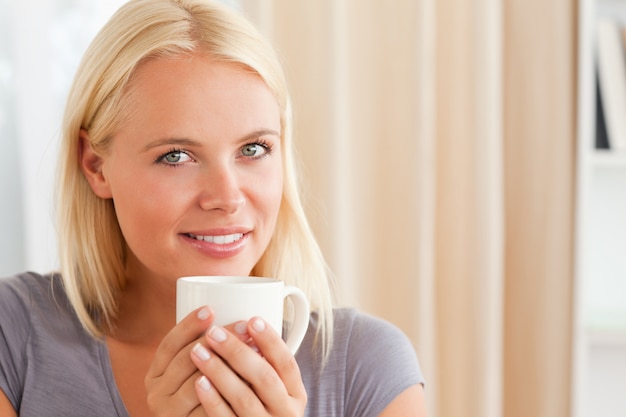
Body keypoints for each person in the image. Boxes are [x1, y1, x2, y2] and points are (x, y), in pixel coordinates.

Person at [0, 0, 427, 416]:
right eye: (176, 156)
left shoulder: (369, 370)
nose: (227, 197)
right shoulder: (15, 338)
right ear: (95, 166)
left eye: (254, 148)